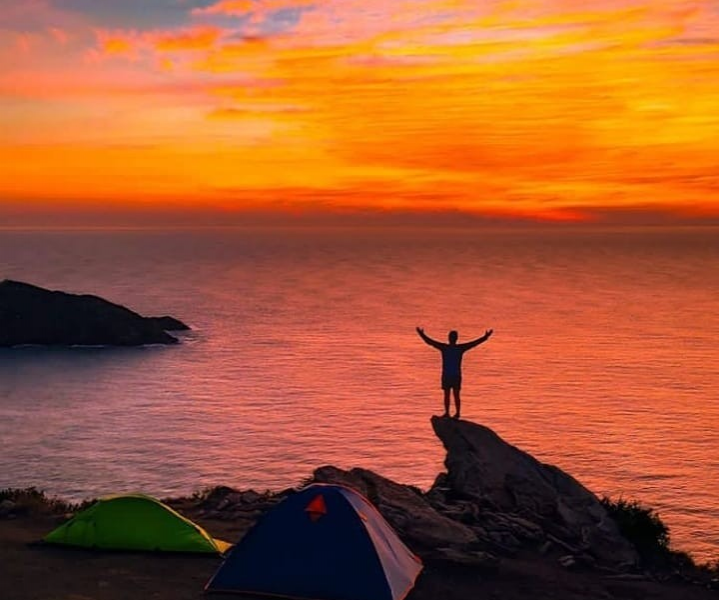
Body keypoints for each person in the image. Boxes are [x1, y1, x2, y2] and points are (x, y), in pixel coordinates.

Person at [416, 327, 493, 419]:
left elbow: (431, 342)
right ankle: (455, 413)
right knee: (454, 395)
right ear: (456, 338)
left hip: (449, 375)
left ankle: (450, 413)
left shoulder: (446, 348)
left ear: (449, 338)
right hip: (454, 375)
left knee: (449, 395)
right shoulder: (458, 348)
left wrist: (421, 334)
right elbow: (473, 344)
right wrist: (485, 337)